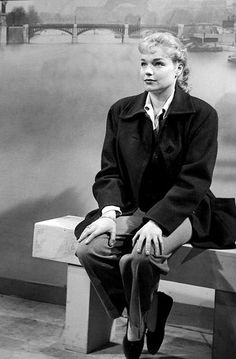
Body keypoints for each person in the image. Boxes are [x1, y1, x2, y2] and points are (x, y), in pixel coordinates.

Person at [74, 32, 219, 358]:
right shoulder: (122, 111)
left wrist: (157, 221)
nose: (148, 71)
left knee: (140, 256)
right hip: (132, 208)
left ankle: (135, 327)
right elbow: (109, 171)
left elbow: (193, 180)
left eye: (157, 63)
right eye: (143, 63)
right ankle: (151, 310)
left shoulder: (202, 115)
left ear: (178, 68)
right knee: (89, 248)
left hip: (184, 210)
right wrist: (110, 213)